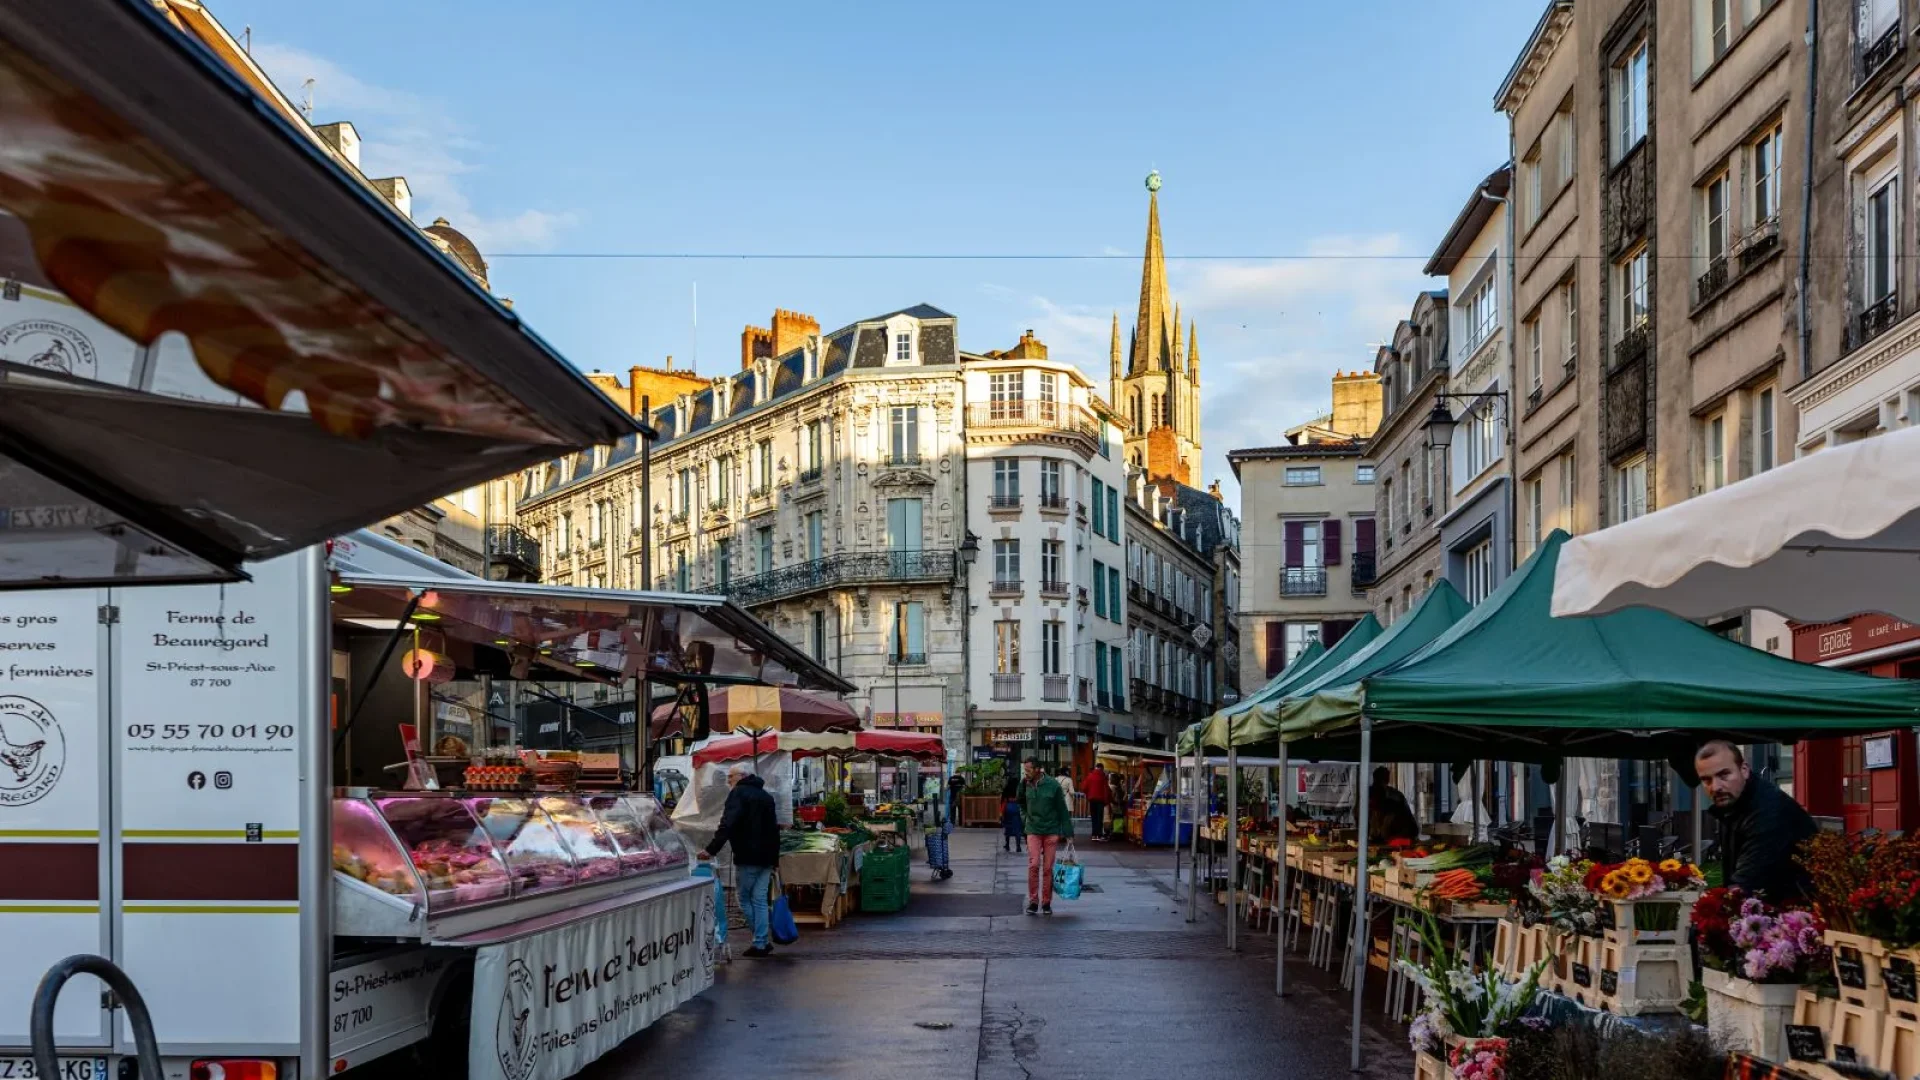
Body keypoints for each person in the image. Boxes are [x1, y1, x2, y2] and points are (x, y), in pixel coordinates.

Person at [1697, 740, 1816, 902]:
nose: (1715, 787)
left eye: (1723, 774)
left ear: (1744, 770)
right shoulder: (1734, 805)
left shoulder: (1767, 811)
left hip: (1796, 915)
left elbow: (1745, 885)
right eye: (1706, 780)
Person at [698, 764, 782, 958]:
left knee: (744, 898)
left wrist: (711, 849)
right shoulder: (766, 797)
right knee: (760, 899)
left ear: (742, 776)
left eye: (731, 777)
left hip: (748, 856)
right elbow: (774, 831)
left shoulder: (738, 794)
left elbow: (727, 823)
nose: (728, 781)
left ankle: (761, 941)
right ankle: (761, 942)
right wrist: (775, 859)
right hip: (766, 857)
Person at [1018, 760, 1074, 915]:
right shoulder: (1024, 783)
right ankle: (1033, 901)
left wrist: (1068, 833)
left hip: (1051, 830)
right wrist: (1025, 818)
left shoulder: (1053, 785)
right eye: (1025, 769)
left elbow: (1062, 809)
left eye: (1028, 769)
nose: (1026, 772)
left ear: (1038, 769)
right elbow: (1020, 801)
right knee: (1034, 864)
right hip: (1033, 830)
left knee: (1048, 868)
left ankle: (1046, 902)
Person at [1368, 766, 1419, 846]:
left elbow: (1385, 830)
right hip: (1390, 839)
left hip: (1400, 838)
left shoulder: (1394, 800)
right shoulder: (1377, 795)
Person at [1083, 762, 1112, 843]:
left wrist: (1089, 795)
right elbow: (1106, 789)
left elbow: (1084, 787)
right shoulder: (1103, 777)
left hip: (1092, 799)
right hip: (1100, 800)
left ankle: (1093, 835)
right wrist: (1106, 801)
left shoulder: (1090, 776)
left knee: (1094, 817)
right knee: (1099, 817)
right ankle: (1099, 834)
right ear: (1102, 768)